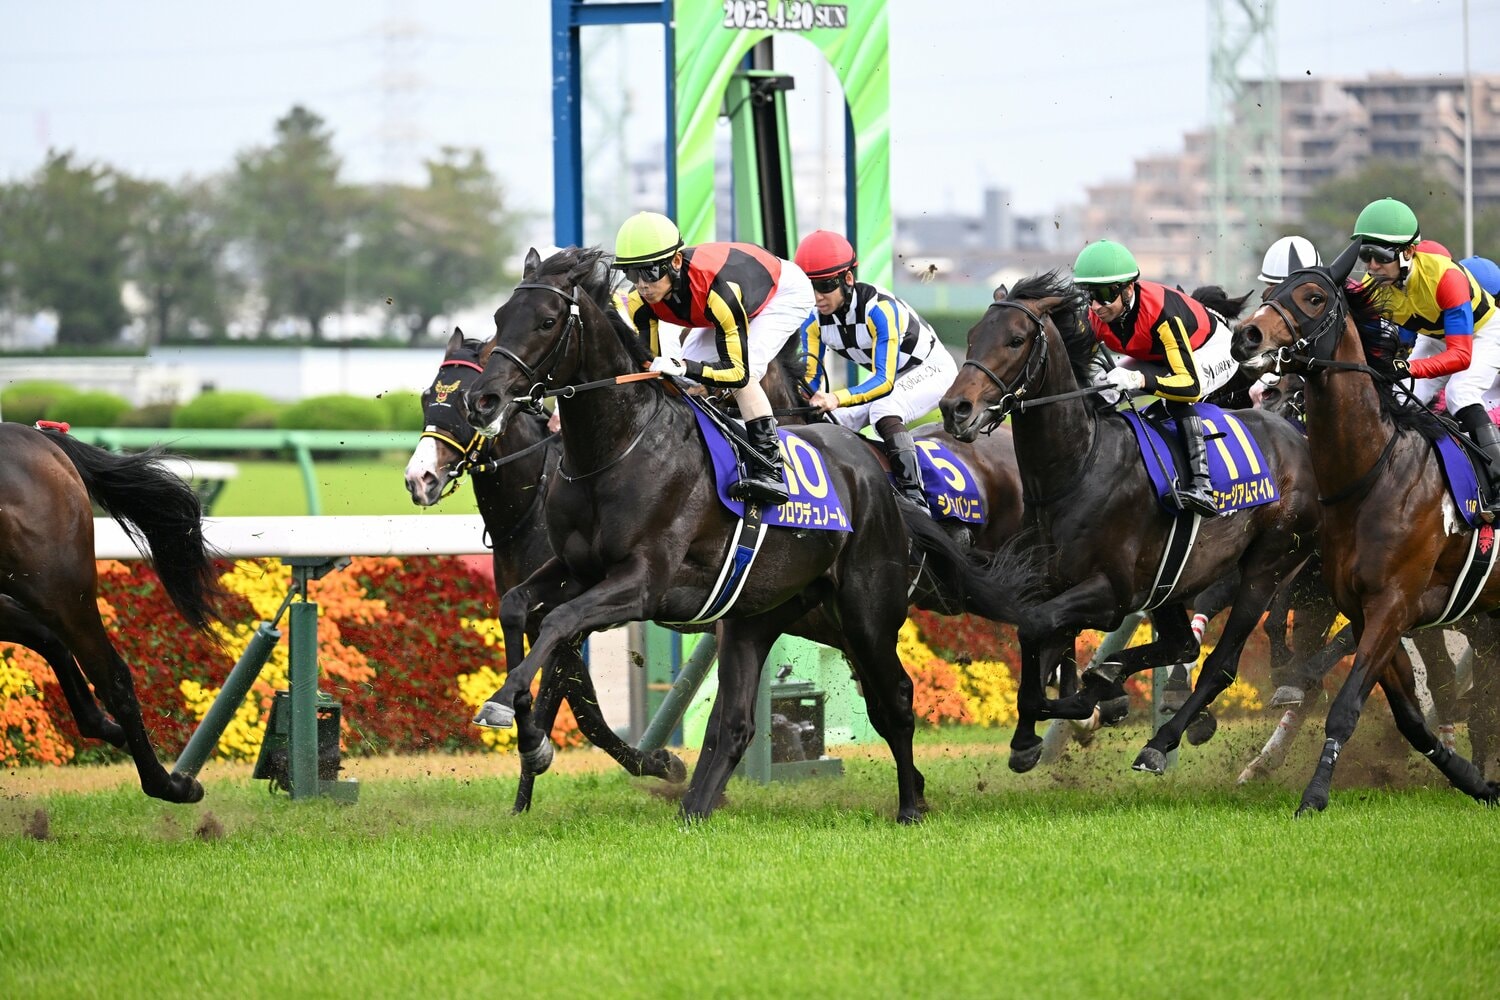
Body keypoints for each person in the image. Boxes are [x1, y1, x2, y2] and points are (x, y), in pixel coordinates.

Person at [611, 211, 816, 506]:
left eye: (650, 272)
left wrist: (685, 367)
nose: (642, 285)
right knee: (683, 379)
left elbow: (737, 372)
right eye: (632, 273)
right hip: (720, 304)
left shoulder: (718, 292)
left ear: (676, 262)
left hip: (782, 293)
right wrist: (673, 370)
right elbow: (652, 369)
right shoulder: (641, 304)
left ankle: (771, 470)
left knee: (748, 373)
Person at [1352, 198, 1500, 513]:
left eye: (1379, 257)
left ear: (1407, 252)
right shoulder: (1373, 285)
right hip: (1434, 336)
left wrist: (1408, 366)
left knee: (1461, 392)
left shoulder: (1447, 279)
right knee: (1399, 398)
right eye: (1365, 255)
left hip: (1483, 333)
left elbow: (1460, 356)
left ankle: (1497, 481)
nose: (1371, 267)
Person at [1072, 238, 1239, 518]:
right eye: (1088, 294)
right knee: (1102, 394)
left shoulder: (1161, 314)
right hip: (1159, 354)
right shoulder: (1095, 315)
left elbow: (1189, 386)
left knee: (1175, 400)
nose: (1095, 305)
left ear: (1127, 290)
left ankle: (1203, 486)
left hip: (1210, 348)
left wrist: (1138, 380)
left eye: (1101, 293)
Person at [792, 230, 955, 513]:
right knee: (830, 422)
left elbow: (884, 381)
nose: (817, 297)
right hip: (889, 380)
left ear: (848, 279)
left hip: (930, 369)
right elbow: (811, 381)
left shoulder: (880, 309)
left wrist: (836, 397)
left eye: (825, 285)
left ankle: (915, 500)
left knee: (883, 408)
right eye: (809, 287)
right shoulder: (813, 321)